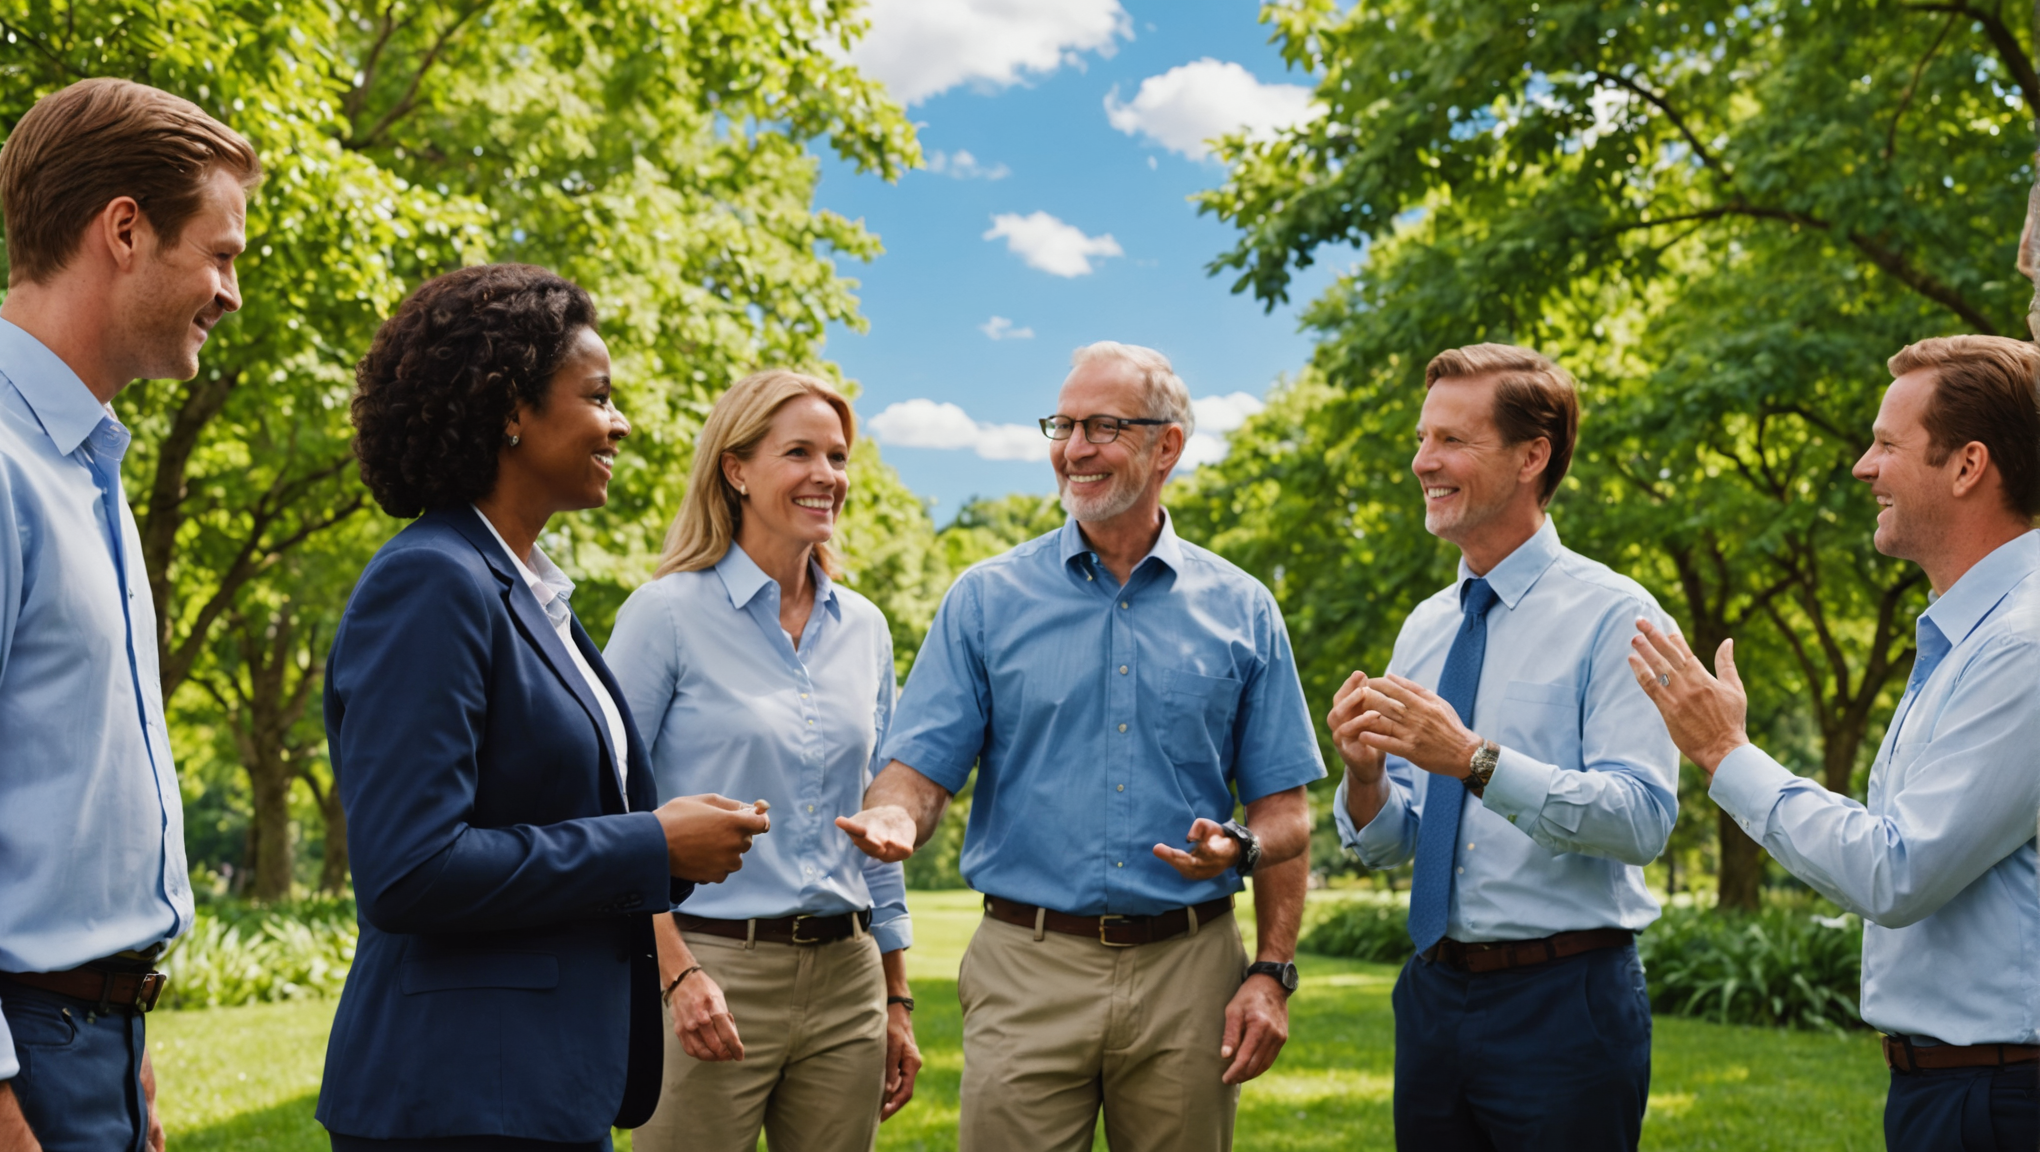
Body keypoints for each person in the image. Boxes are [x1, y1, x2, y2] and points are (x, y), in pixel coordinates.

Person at [316, 263, 772, 1151]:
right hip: (454, 1099)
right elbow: (410, 868)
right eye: (597, 396)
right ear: (511, 411)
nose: (620, 421)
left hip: (541, 1089)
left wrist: (668, 846)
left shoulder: (530, 594)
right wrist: (652, 841)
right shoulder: (430, 581)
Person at [838, 341, 1324, 1152]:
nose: (1073, 448)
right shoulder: (987, 600)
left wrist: (1267, 963)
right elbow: (916, 772)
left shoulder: (1244, 609)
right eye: (1061, 425)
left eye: (1101, 426)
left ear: (1166, 445)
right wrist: (893, 817)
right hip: (1028, 966)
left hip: (1190, 969)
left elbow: (1286, 814)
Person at [1628, 335, 2039, 1151]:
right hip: (1959, 1087)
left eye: (1887, 444)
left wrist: (1727, 754)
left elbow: (1897, 870)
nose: (1862, 466)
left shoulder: (2022, 646)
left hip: (1996, 1101)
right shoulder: (1974, 637)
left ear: (1967, 467)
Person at [1327, 343, 1677, 1151]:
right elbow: (1397, 844)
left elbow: (1643, 819)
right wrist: (1366, 777)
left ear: (1532, 456)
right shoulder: (1427, 625)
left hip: (1567, 1004)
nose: (1423, 462)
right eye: (1422, 440)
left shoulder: (1618, 615)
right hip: (1431, 999)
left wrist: (1474, 761)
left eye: (1452, 441)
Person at [0, 77, 259, 1152]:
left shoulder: (87, 466)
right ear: (123, 230)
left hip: (94, 1038)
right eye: (221, 252)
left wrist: (127, 1042)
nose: (230, 292)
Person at [606, 369, 921, 1151]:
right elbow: (606, 810)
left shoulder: (867, 629)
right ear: (736, 468)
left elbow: (873, 821)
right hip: (711, 967)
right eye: (800, 453)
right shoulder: (666, 615)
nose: (827, 476)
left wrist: (896, 996)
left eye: (839, 457)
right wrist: (674, 972)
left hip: (848, 976)